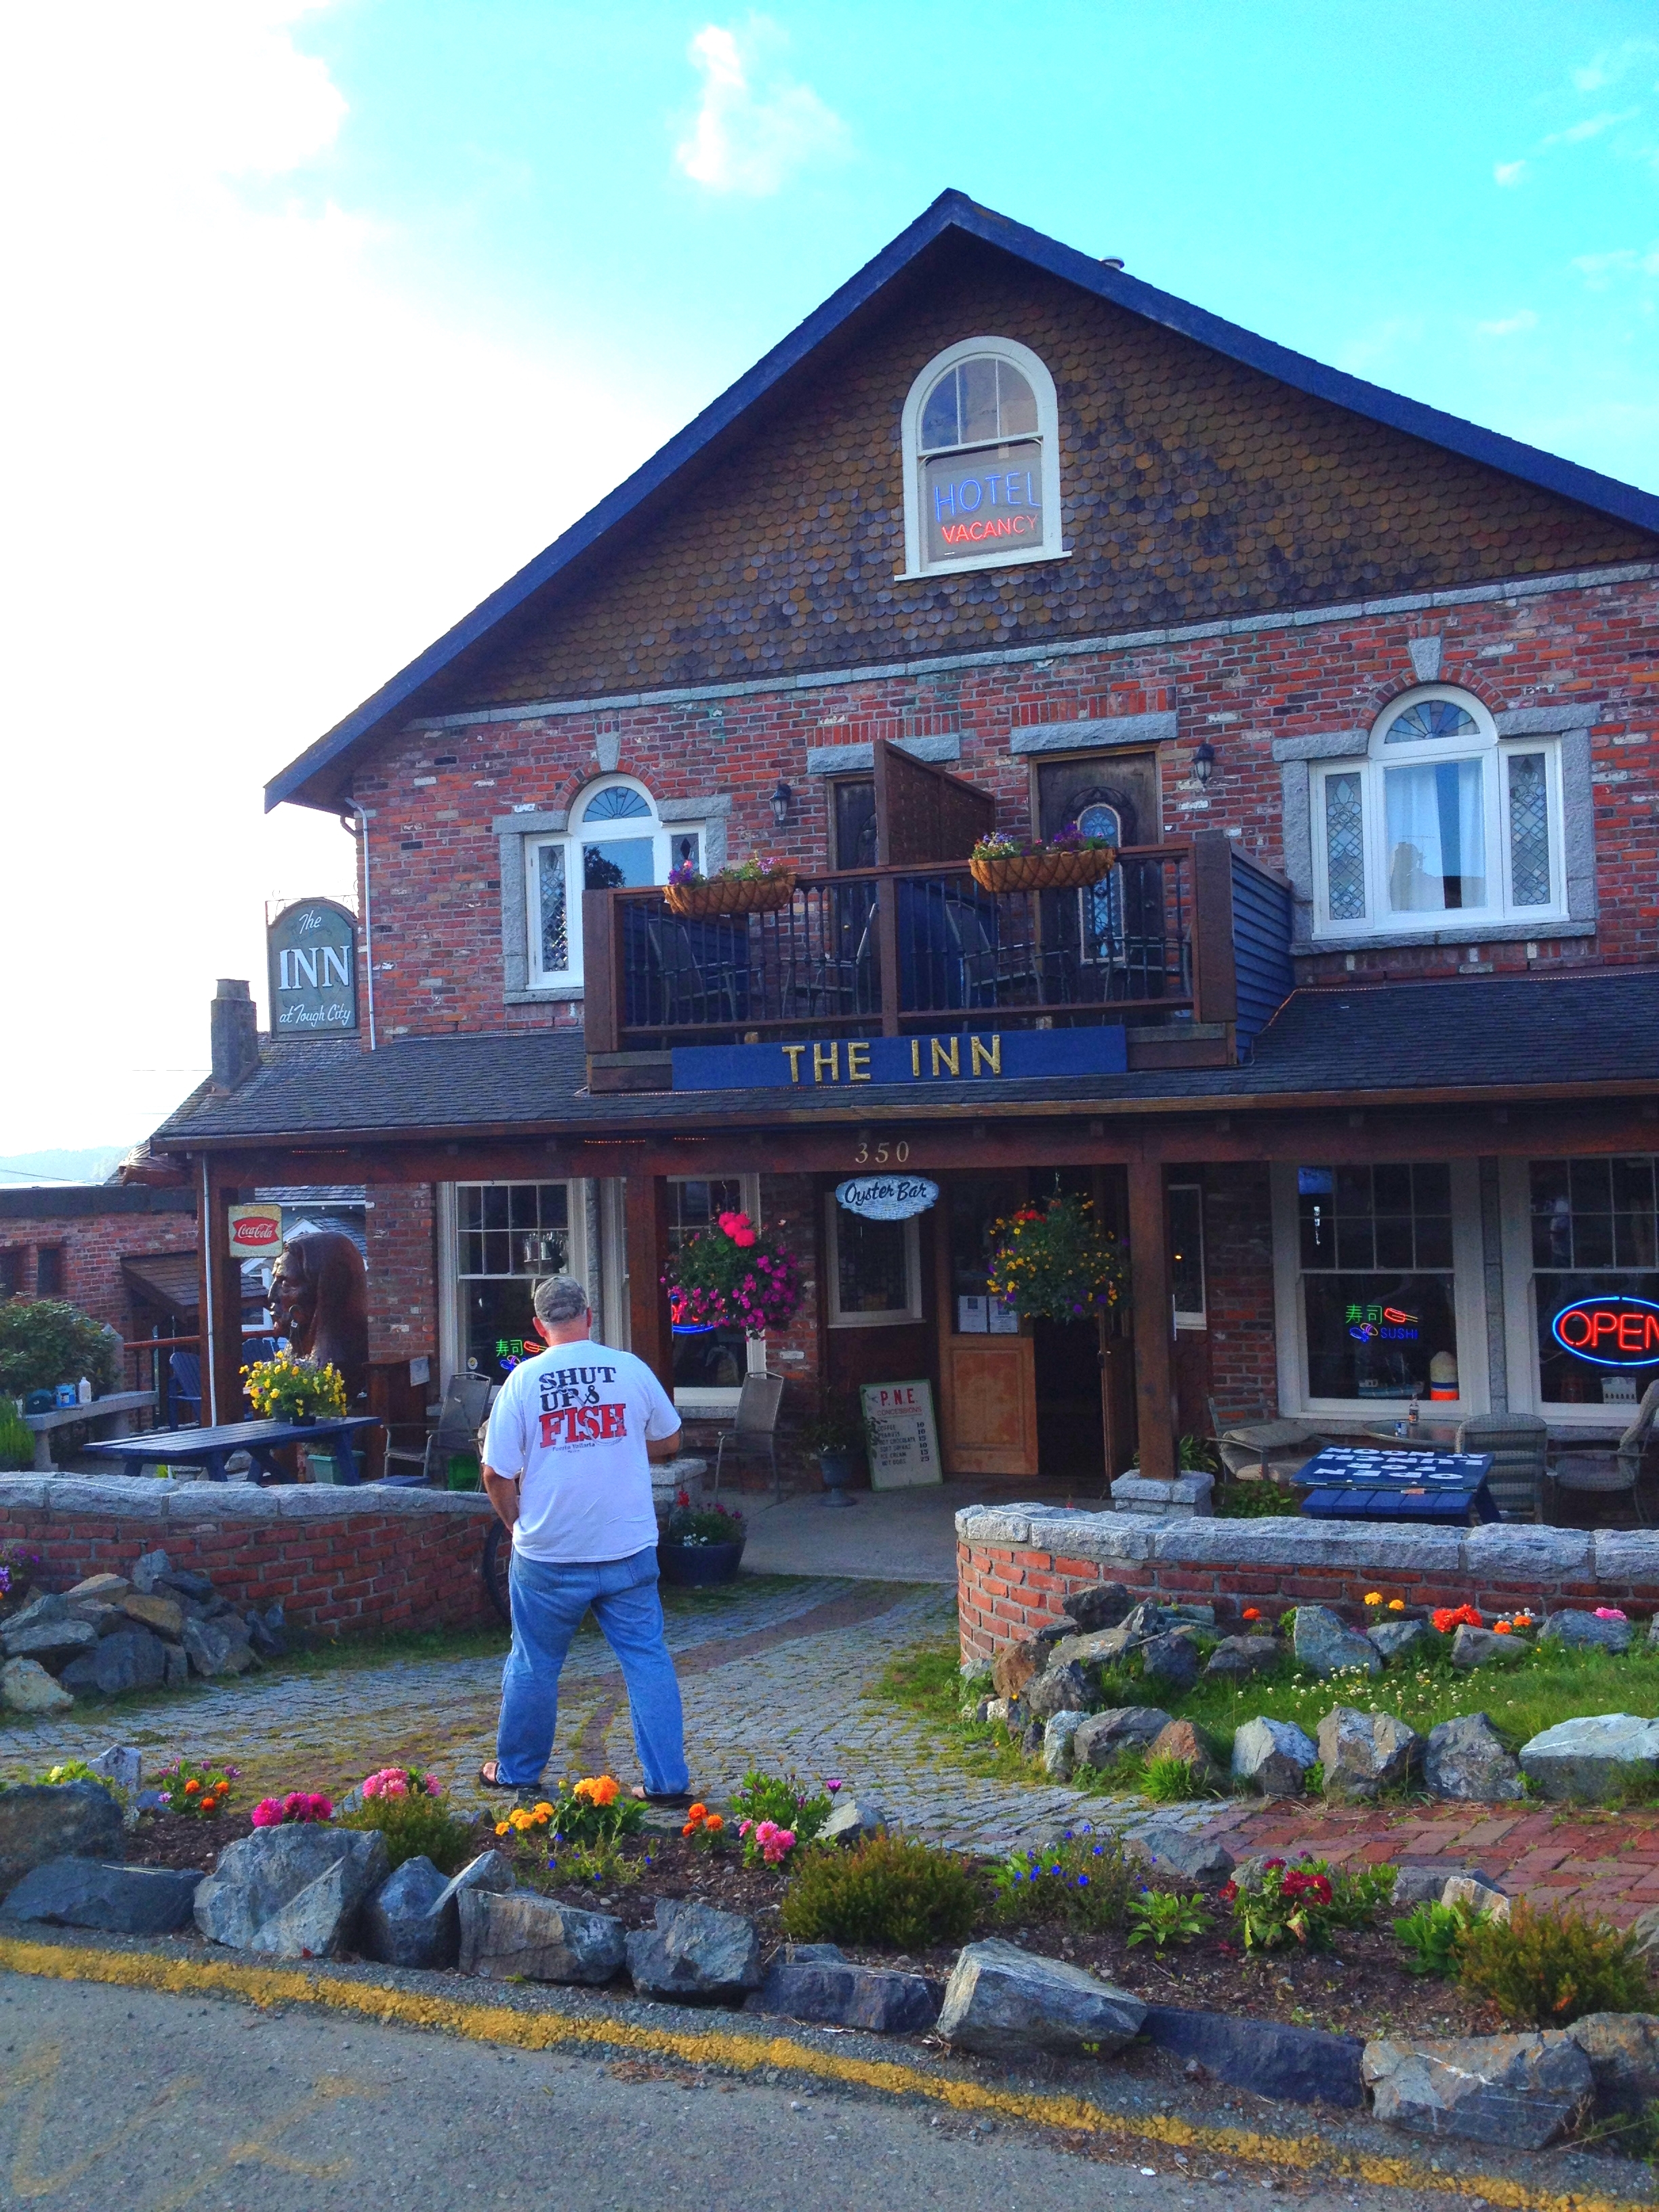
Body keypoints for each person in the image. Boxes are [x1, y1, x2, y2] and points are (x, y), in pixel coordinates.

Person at [476, 1273, 691, 1805]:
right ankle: (667, 1782)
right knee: (647, 1659)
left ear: (538, 1325)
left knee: (533, 1663)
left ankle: (519, 1771)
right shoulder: (629, 1369)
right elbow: (669, 1438)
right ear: (589, 1316)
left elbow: (495, 1473)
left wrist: (513, 1523)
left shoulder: (523, 1382)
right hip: (627, 1547)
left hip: (549, 1552)